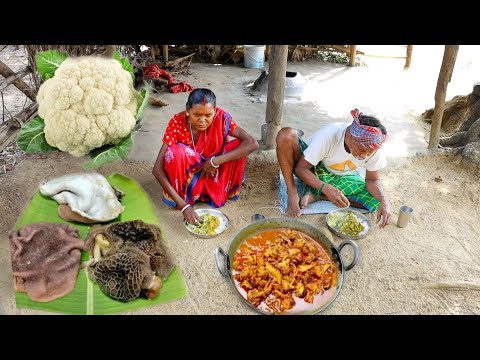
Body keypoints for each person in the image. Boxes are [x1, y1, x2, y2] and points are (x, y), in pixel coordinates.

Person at [152, 88, 259, 225]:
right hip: (189, 176)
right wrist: (184, 206)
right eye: (196, 115)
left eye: (208, 115)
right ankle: (185, 197)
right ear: (187, 110)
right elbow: (157, 170)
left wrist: (215, 161)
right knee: (175, 153)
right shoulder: (177, 123)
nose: (202, 120)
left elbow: (252, 143)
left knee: (239, 145)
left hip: (214, 172)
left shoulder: (222, 118)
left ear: (215, 111)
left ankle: (214, 192)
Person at [276, 108, 392, 227]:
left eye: (369, 153)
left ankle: (318, 196)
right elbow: (300, 169)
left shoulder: (373, 147)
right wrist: (327, 188)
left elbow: (372, 180)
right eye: (362, 150)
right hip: (311, 169)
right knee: (285, 134)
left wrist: (384, 201)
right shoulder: (328, 135)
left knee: (376, 201)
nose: (364, 156)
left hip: (339, 178)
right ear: (350, 136)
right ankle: (292, 192)